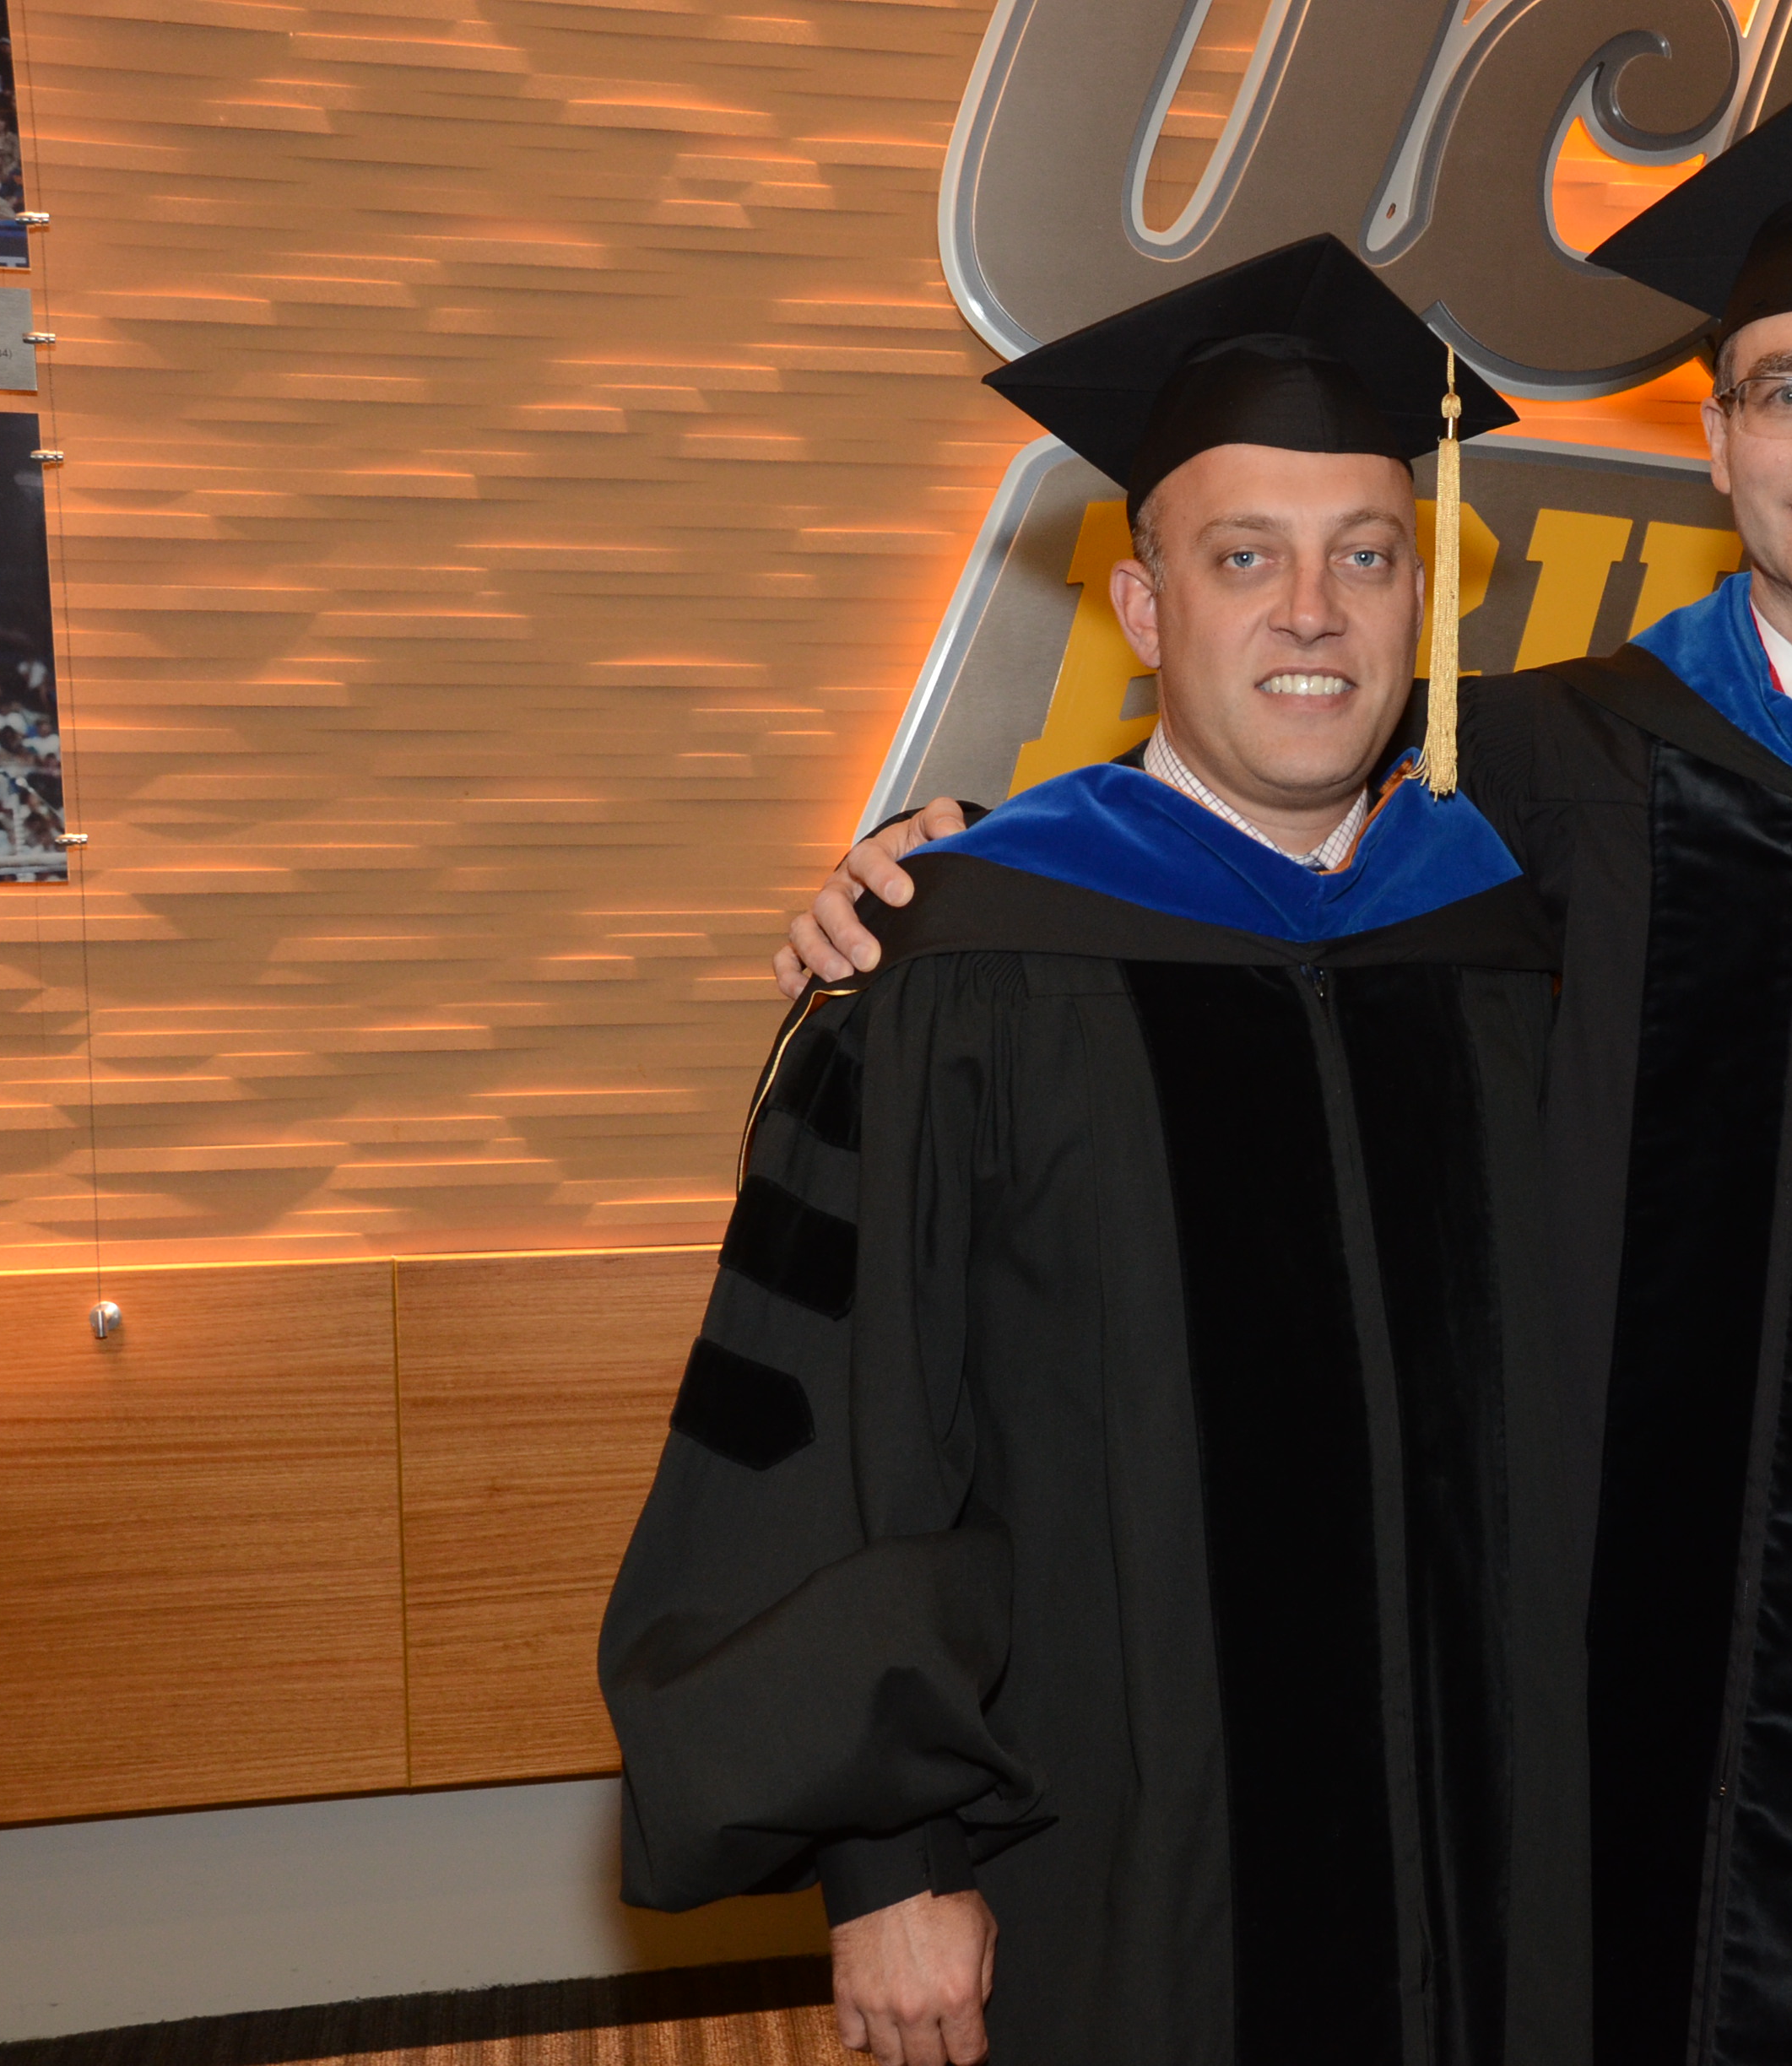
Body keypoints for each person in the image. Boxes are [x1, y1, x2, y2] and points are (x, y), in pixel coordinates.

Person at [787, 92, 1792, 2066]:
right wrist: (942, 867)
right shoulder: (1524, 786)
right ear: (1716, 439)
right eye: (1788, 389)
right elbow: (1221, 866)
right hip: (1545, 1742)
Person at [607, 235, 1594, 2066]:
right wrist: (889, 1856)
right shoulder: (967, 963)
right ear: (1144, 609)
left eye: (1367, 556)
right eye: (1246, 558)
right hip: (1115, 1856)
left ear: (1419, 599)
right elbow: (838, 1423)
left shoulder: (1502, 947)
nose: (1314, 613)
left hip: (1485, 1840)